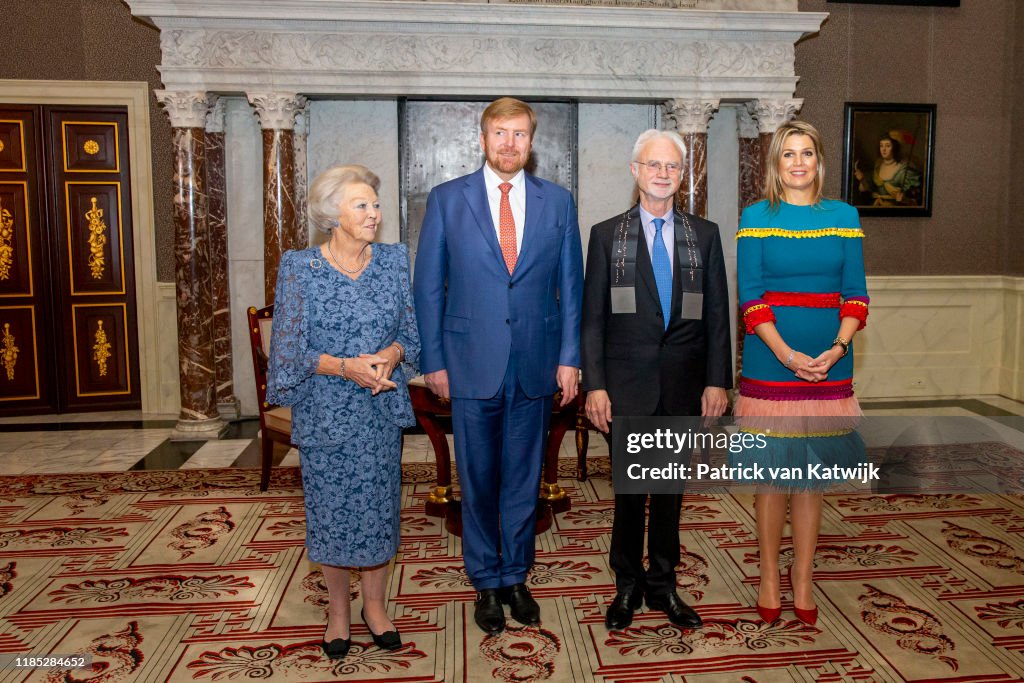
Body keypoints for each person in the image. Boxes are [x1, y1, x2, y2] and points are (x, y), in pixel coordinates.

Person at [413, 97, 583, 635]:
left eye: (520, 135)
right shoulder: (446, 199)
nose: (510, 144)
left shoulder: (558, 202)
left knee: (523, 477)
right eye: (500, 134)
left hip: (535, 360)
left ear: (532, 142)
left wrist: (570, 359)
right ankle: (485, 579)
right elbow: (427, 288)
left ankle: (516, 575)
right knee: (479, 476)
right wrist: (434, 361)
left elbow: (571, 287)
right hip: (469, 362)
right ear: (482, 138)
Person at [581, 129, 732, 631]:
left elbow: (717, 318)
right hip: (627, 386)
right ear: (635, 171)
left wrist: (717, 381)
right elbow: (593, 320)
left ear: (681, 175)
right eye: (653, 165)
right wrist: (595, 385)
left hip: (684, 385)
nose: (663, 174)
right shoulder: (606, 236)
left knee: (670, 494)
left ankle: (663, 585)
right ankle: (626, 584)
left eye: (671, 166)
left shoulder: (703, 236)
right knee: (629, 494)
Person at [267, 164, 420, 660]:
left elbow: (410, 333)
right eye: (362, 205)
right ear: (333, 214)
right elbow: (288, 352)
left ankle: (375, 608)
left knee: (378, 513)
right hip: (326, 414)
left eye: (376, 205)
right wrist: (343, 367)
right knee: (332, 517)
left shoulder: (395, 261)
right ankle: (337, 611)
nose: (374, 213)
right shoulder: (299, 267)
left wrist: (391, 356)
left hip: (379, 413)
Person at [735, 121, 869, 626]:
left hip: (830, 364)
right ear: (775, 164)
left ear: (819, 161)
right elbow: (750, 297)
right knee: (772, 478)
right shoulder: (756, 217)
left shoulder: (844, 216)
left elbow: (856, 294)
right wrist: (788, 355)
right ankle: (770, 573)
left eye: (806, 153)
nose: (797, 163)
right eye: (788, 154)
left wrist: (836, 349)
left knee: (810, 479)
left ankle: (804, 576)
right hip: (773, 362)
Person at [853, 133, 921, 207]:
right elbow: (870, 189)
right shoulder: (877, 166)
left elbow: (915, 201)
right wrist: (862, 180)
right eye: (881, 146)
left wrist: (905, 199)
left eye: (888, 146)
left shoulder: (903, 171)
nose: (884, 149)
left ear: (894, 148)